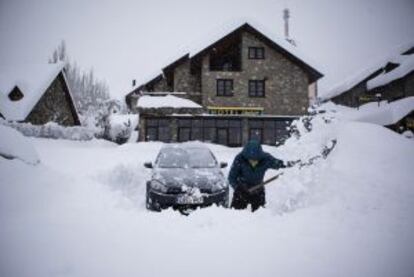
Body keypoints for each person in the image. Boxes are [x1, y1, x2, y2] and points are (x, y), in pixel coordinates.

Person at [228, 140, 293, 212]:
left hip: (258, 190)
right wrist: (238, 189)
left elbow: (279, 164)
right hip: (241, 191)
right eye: (250, 159)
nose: (253, 161)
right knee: (236, 215)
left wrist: (291, 164)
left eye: (256, 159)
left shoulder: (266, 158)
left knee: (260, 216)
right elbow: (231, 177)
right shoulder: (239, 159)